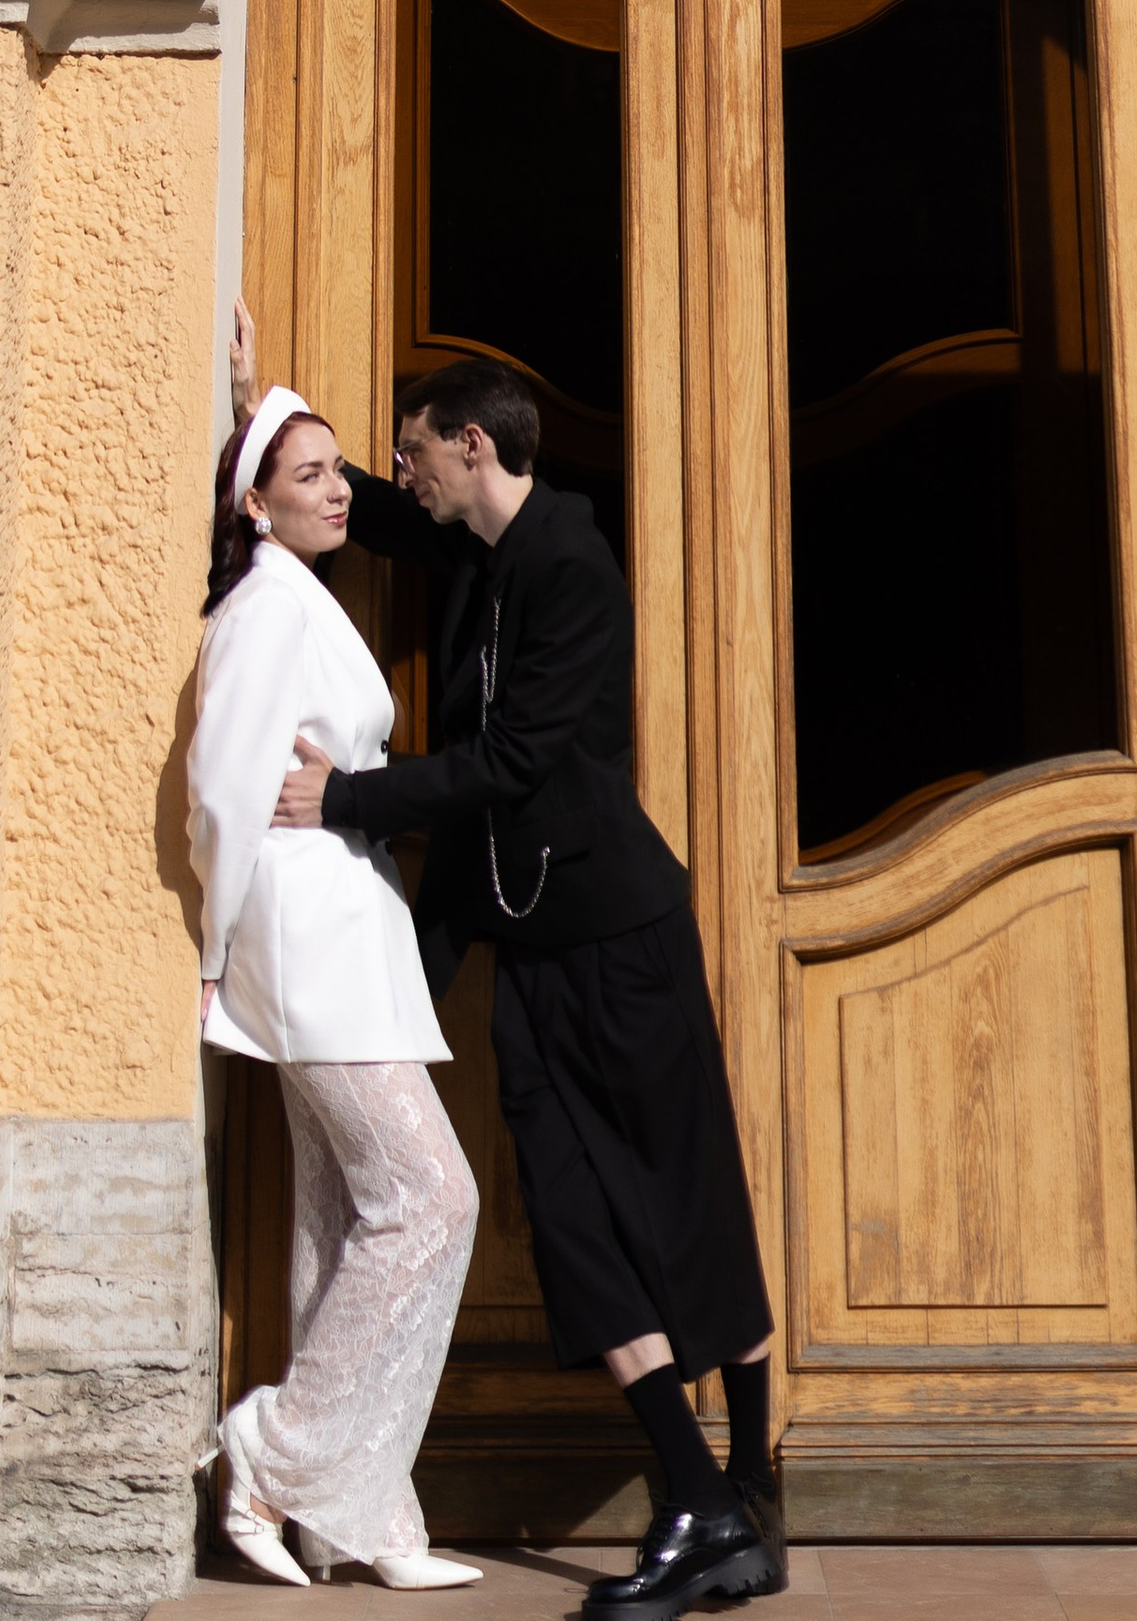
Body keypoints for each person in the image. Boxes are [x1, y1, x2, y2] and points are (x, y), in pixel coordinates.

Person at [245, 311, 785, 1621]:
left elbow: (516, 759)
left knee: (687, 1205)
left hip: (624, 943)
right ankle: (700, 1497)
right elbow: (358, 509)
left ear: (472, 446)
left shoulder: (569, 568)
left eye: (413, 450)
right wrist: (251, 411)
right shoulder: (477, 545)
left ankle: (747, 1497)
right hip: (536, 955)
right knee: (574, 1220)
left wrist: (346, 799)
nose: (398, 471)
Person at [189, 377, 482, 1591]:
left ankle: (353, 1516)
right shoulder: (265, 608)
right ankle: (275, 1451)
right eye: (307, 474)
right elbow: (222, 789)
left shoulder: (298, 596)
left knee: (334, 1216)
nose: (337, 489)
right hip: (306, 940)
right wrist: (217, 954)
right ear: (255, 504)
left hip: (342, 932)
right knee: (432, 1197)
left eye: (337, 470)